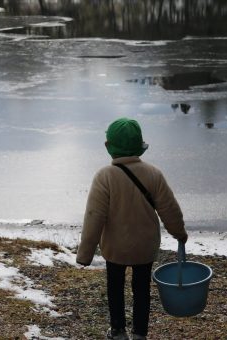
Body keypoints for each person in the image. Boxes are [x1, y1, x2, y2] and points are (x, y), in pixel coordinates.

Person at [76, 117, 188, 340]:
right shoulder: (153, 174)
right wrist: (179, 234)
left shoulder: (104, 176)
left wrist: (85, 254)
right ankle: (140, 334)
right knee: (142, 290)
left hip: (115, 247)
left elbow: (93, 217)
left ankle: (118, 331)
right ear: (139, 146)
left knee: (115, 287)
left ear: (108, 147)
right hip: (144, 246)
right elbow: (169, 209)